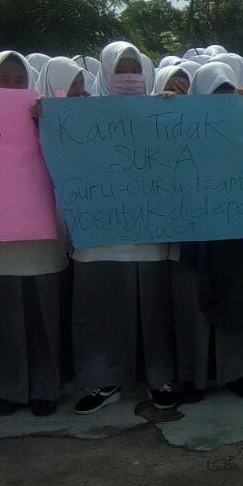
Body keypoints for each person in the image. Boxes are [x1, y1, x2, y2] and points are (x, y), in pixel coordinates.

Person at [72, 42, 178, 413]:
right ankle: (103, 380)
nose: (129, 77)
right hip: (99, 238)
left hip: (150, 239)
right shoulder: (81, 113)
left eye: (135, 68)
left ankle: (159, 378)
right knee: (100, 312)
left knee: (155, 312)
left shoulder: (165, 110)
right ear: (105, 73)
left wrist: (177, 111)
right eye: (121, 69)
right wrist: (56, 113)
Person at [0, 51, 68, 415]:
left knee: (41, 317)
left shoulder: (47, 117)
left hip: (37, 240)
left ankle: (44, 387)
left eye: (18, 79)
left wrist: (45, 123)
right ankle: (6, 390)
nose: (10, 86)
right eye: (3, 78)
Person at [167, 61, 243, 400]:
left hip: (236, 234)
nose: (222, 104)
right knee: (193, 306)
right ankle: (194, 377)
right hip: (194, 235)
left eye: (228, 95)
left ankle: (237, 373)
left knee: (235, 304)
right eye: (215, 96)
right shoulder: (178, 126)